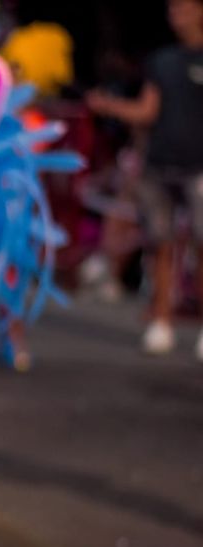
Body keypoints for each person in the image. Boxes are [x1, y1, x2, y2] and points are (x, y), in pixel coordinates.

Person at [86, 0, 203, 359]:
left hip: (200, 168)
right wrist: (109, 106)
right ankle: (161, 321)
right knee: (161, 243)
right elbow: (146, 111)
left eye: (184, 6)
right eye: (172, 7)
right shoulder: (162, 60)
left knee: (201, 246)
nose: (176, 13)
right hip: (160, 164)